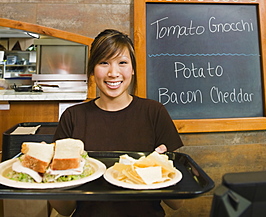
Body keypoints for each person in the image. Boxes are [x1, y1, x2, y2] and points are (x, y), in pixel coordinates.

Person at [50, 29, 183, 217]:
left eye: (122, 63)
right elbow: (65, 209)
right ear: (92, 69)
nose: (113, 73)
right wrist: (53, 177)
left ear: (132, 68)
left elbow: (177, 203)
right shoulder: (73, 116)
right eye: (103, 62)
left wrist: (160, 166)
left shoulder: (154, 112)